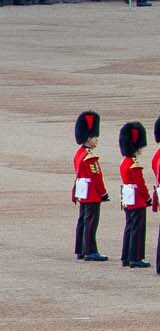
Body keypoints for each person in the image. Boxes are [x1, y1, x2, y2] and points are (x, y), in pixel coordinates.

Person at [74, 111, 107, 263]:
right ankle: (90, 250)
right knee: (91, 222)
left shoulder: (79, 153)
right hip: (92, 193)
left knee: (83, 220)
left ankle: (80, 249)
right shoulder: (90, 157)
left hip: (82, 190)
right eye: (95, 138)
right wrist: (103, 193)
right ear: (88, 138)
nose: (96, 141)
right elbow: (97, 177)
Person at [121, 121, 151, 268]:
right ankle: (136, 257)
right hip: (137, 199)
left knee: (129, 226)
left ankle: (126, 256)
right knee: (138, 229)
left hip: (127, 197)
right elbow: (141, 185)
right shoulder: (134, 164)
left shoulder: (124, 162)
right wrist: (148, 198)